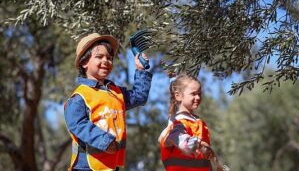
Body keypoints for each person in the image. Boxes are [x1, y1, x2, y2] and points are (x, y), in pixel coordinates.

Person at [64, 33, 152, 170]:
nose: (106, 61)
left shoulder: (116, 93)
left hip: (111, 165)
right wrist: (105, 142)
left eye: (109, 58)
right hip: (86, 167)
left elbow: (139, 97)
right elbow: (77, 124)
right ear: (84, 62)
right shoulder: (80, 96)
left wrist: (140, 70)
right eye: (99, 57)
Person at [158, 74, 215, 171]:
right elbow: (179, 140)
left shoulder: (199, 123)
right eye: (193, 94)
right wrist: (199, 144)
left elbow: (204, 161)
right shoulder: (178, 122)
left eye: (199, 94)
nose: (198, 97)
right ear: (178, 96)